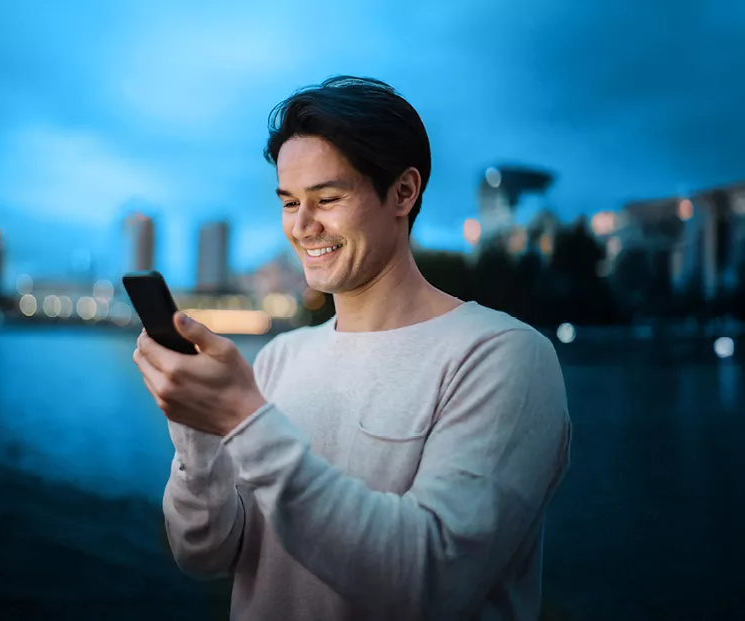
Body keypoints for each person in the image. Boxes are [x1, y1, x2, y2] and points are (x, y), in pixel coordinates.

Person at [133, 76, 571, 620]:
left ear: (403, 193)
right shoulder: (278, 358)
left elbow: (427, 581)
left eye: (327, 198)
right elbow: (204, 554)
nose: (301, 226)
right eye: (289, 202)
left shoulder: (504, 357)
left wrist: (244, 419)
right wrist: (198, 435)